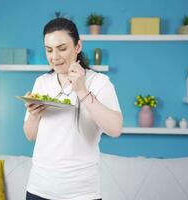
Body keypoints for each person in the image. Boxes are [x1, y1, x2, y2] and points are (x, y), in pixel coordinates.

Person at [23, 17, 123, 200]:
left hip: (81, 193)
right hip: (38, 189)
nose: (54, 57)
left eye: (62, 48)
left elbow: (115, 129)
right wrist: (33, 115)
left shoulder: (99, 82)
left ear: (78, 47)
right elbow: (30, 135)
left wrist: (81, 90)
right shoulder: (42, 82)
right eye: (49, 50)